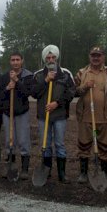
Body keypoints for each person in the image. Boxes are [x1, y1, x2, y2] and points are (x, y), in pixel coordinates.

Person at [74, 46, 107, 184]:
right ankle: (83, 173)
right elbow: (74, 92)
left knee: (105, 146)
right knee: (83, 146)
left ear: (103, 57)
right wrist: (85, 86)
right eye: (93, 55)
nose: (95, 58)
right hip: (85, 116)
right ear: (89, 57)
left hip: (105, 117)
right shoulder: (81, 73)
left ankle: (105, 173)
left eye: (98, 55)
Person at [31, 45, 75, 183]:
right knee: (46, 143)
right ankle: (47, 171)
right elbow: (34, 93)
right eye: (48, 57)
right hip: (44, 116)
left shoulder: (65, 73)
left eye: (53, 57)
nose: (51, 59)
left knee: (60, 144)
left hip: (60, 115)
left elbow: (71, 92)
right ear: (45, 59)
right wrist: (46, 81)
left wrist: (57, 103)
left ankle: (62, 174)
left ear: (57, 58)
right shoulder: (38, 75)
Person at [0, 51, 33, 180]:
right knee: (9, 140)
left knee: (24, 141)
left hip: (22, 112)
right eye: (13, 60)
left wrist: (17, 81)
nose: (15, 62)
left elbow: (27, 93)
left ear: (22, 61)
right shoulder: (4, 77)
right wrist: (7, 88)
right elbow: (0, 96)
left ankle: (24, 169)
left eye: (17, 60)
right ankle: (10, 166)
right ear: (10, 62)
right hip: (8, 113)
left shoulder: (28, 76)